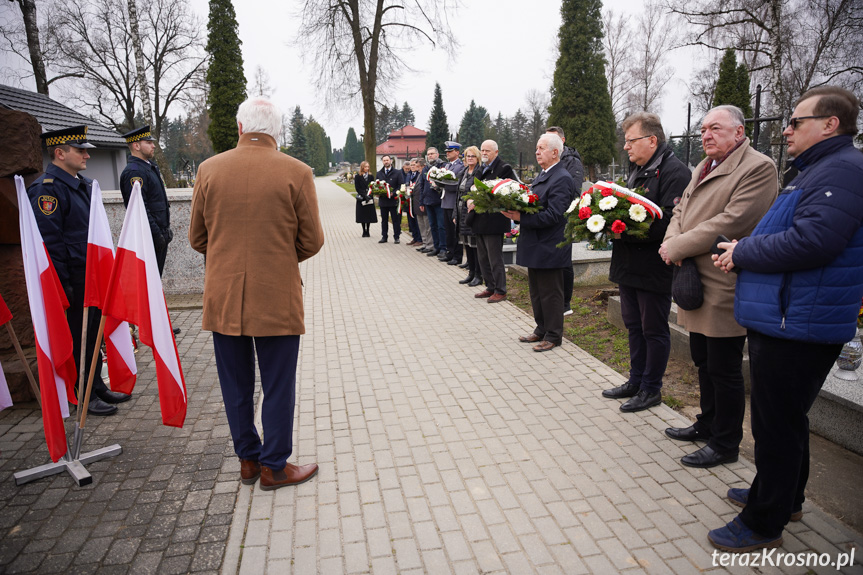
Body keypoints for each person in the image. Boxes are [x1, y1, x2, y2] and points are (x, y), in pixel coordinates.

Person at [708, 86, 863, 552]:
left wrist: (743, 250)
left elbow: (815, 240)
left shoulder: (843, 170)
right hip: (790, 318)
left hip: (799, 322)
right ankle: (784, 497)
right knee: (787, 419)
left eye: (796, 122)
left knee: (775, 424)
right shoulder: (819, 169)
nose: (786, 129)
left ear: (830, 124)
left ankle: (763, 521)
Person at [189, 98, 324, 490]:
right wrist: (279, 259)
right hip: (277, 295)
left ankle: (247, 460)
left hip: (224, 295)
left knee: (235, 383)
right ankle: (274, 466)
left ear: (239, 127)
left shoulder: (209, 169)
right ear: (277, 132)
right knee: (278, 383)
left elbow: (198, 238)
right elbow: (312, 240)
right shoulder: (297, 172)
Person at [659, 105, 778, 468]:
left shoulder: (758, 167)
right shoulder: (703, 165)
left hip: (724, 280)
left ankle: (726, 442)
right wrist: (671, 238)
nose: (706, 135)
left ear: (739, 133)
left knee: (724, 369)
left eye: (715, 128)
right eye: (703, 129)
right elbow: (682, 209)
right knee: (702, 360)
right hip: (693, 278)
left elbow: (734, 220)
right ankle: (707, 423)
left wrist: (677, 246)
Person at [27, 125, 127, 416]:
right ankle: (81, 394)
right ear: (60, 153)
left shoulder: (81, 184)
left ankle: (96, 385)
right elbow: (51, 244)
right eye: (80, 150)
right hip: (72, 281)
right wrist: (64, 286)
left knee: (93, 334)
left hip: (91, 277)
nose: (86, 155)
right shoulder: (48, 191)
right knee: (77, 338)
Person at [601, 113, 691, 413]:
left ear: (652, 140)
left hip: (653, 267)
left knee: (653, 329)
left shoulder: (674, 172)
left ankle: (651, 389)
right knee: (633, 326)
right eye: (625, 141)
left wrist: (622, 227)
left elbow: (668, 221)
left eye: (631, 141)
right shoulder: (638, 169)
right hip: (629, 265)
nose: (626, 147)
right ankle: (635, 380)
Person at [503, 133, 574, 351]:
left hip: (550, 245)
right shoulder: (545, 175)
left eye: (541, 148)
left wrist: (520, 217)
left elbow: (555, 215)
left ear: (555, 152)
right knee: (536, 291)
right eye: (536, 148)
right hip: (536, 243)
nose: (536, 152)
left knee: (551, 292)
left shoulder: (561, 177)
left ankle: (553, 335)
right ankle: (541, 328)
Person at [119, 125, 181, 335]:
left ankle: (156, 326)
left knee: (153, 283)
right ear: (136, 145)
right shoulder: (134, 172)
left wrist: (165, 230)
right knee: (146, 284)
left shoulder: (147, 166)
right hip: (149, 238)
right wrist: (157, 234)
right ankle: (147, 328)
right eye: (149, 142)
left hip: (158, 235)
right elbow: (140, 208)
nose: (153, 145)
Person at [546, 126, 584, 316]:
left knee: (564, 260)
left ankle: (565, 303)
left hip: (564, 216)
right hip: (551, 217)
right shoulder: (550, 160)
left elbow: (574, 191)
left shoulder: (572, 162)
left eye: (552, 139)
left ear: (562, 140)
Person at [474, 140, 516, 302]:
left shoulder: (504, 168)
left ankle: (501, 290)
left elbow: (508, 190)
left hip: (494, 220)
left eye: (488, 151)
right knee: (483, 258)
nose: (484, 153)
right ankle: (490, 287)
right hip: (479, 219)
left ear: (496, 152)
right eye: (482, 150)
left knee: (495, 258)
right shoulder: (480, 168)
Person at [456, 146, 483, 286]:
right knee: (467, 244)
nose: (470, 158)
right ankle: (471, 273)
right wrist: (456, 213)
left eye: (472, 156)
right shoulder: (465, 172)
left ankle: (478, 275)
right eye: (468, 156)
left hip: (473, 213)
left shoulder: (479, 172)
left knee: (475, 246)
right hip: (462, 212)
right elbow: (458, 194)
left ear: (477, 158)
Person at [440, 141, 465, 265]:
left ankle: (457, 255)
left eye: (450, 151)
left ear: (457, 152)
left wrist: (442, 183)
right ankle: (450, 253)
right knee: (448, 230)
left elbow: (456, 184)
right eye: (447, 152)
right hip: (445, 201)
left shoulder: (460, 166)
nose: (448, 154)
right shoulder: (448, 166)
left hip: (453, 201)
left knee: (455, 231)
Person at [419, 147, 446, 256]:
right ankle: (436, 247)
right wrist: (421, 201)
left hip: (439, 201)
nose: (430, 156)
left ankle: (443, 248)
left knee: (441, 226)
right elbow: (422, 185)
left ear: (437, 155)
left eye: (432, 154)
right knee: (432, 226)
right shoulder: (425, 169)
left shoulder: (442, 167)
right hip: (428, 201)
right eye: (428, 154)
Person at [375, 155, 403, 243]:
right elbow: (376, 185)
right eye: (384, 160)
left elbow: (400, 185)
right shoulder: (379, 173)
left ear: (390, 161)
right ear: (382, 162)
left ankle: (396, 237)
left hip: (393, 200)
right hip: (383, 201)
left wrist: (393, 193)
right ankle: (384, 237)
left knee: (395, 220)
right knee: (384, 220)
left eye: (387, 160)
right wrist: (377, 193)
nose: (386, 162)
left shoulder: (397, 173)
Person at [414, 158, 435, 253]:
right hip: (419, 203)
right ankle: (425, 243)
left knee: (428, 226)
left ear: (423, 166)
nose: (417, 169)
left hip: (425, 203)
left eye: (418, 167)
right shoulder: (419, 175)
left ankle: (430, 245)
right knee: (422, 225)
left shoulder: (426, 175)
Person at [354, 161, 377, 237]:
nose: (367, 168)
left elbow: (373, 186)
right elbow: (357, 188)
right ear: (362, 167)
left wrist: (369, 195)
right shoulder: (358, 177)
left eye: (368, 167)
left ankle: (368, 230)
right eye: (365, 167)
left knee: (369, 214)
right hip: (362, 198)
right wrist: (364, 195)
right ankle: (364, 230)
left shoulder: (371, 176)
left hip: (369, 197)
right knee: (362, 215)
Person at [403, 160, 422, 245]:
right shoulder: (408, 174)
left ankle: (419, 239)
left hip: (416, 201)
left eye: (414, 165)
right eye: (411, 165)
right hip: (409, 201)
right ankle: (414, 237)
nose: (413, 166)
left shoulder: (419, 174)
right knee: (411, 221)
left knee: (417, 221)